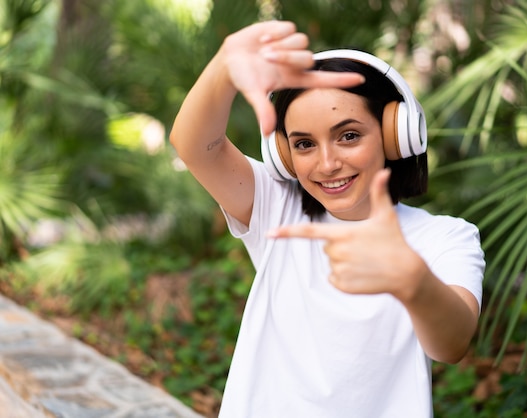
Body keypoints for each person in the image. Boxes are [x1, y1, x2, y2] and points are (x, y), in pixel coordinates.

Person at [170, 20, 484, 418]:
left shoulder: (446, 238)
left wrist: (414, 282)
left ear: (395, 135)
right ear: (284, 155)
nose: (328, 163)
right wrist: (224, 65)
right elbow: (195, 147)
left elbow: (453, 344)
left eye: (348, 135)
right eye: (303, 144)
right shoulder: (274, 204)